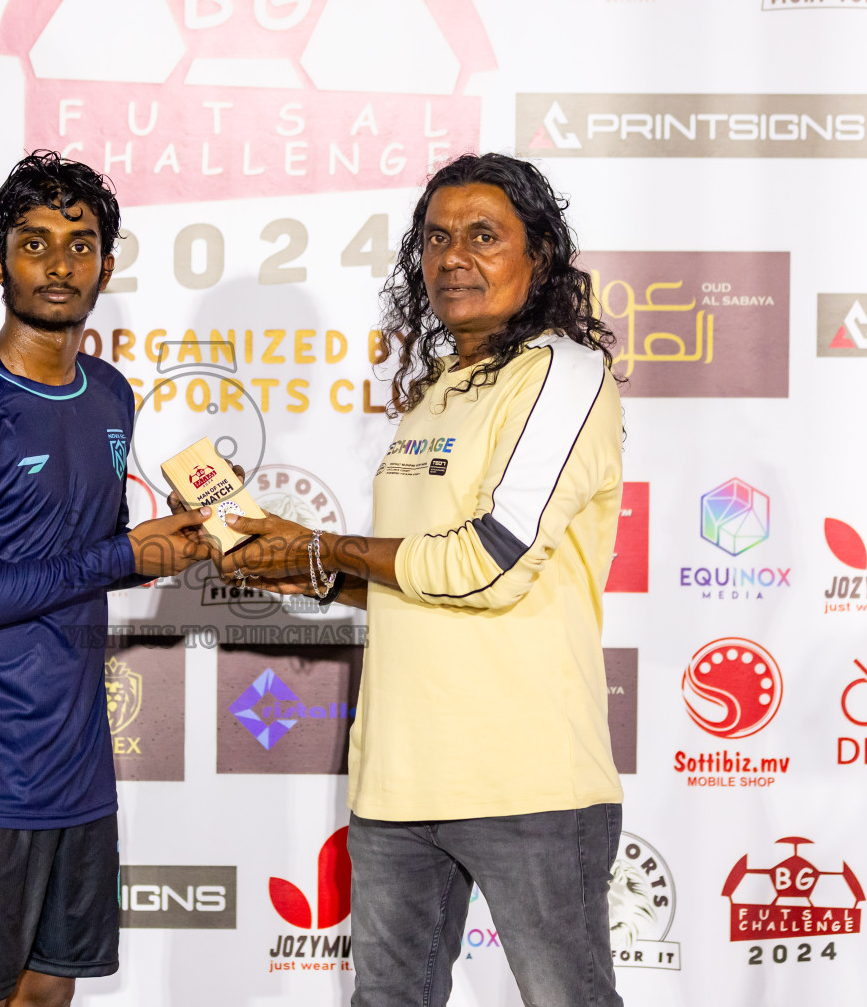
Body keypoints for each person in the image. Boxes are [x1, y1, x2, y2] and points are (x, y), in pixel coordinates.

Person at [215, 152, 625, 1007]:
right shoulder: (436, 393)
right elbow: (419, 586)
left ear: (539, 255)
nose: (452, 258)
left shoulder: (562, 375)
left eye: (484, 236)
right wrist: (308, 563)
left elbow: (490, 559)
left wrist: (329, 543)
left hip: (527, 780)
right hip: (400, 781)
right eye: (437, 239)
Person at [0, 150, 209, 1007]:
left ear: (107, 263)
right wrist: (125, 555)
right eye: (34, 243)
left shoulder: (110, 395)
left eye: (81, 243)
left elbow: (83, 552)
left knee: (46, 998)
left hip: (77, 769)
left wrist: (180, 538)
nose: (59, 263)